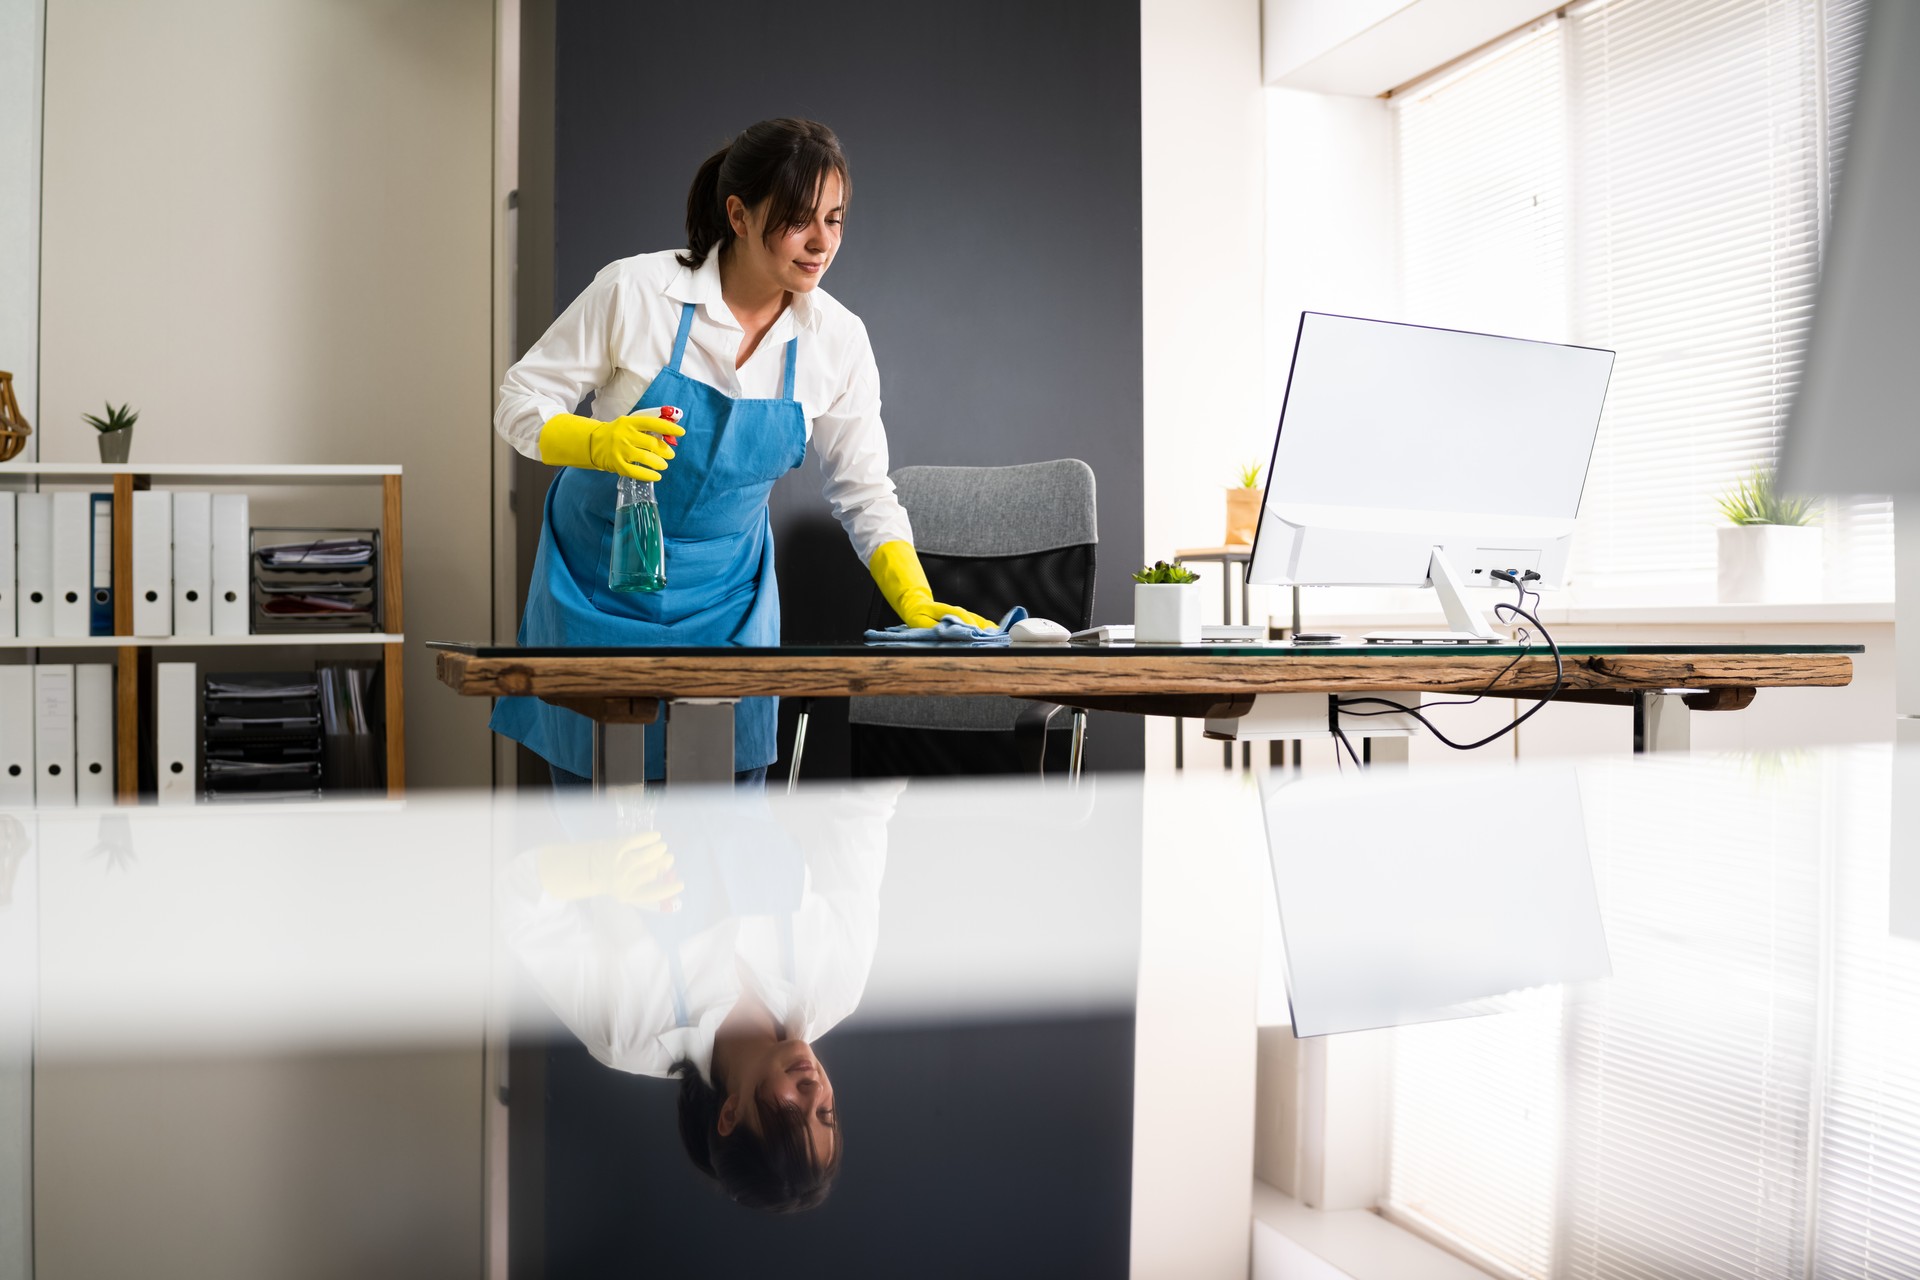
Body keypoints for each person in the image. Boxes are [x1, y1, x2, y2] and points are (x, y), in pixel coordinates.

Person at [491, 117, 994, 787]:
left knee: (726, 849)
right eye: (798, 220)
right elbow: (518, 401)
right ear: (739, 214)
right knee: (599, 839)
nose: (822, 243)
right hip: (599, 589)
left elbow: (864, 489)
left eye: (836, 220)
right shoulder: (636, 293)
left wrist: (914, 595)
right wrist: (596, 441)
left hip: (728, 601)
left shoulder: (835, 340)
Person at [502, 783, 894, 1212]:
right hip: (748, 735)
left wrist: (597, 870)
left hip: (610, 753)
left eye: (791, 1115)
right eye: (824, 1114)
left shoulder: (630, 1032)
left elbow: (516, 904)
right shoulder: (837, 981)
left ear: (730, 1115)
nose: (814, 1090)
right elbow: (865, 805)